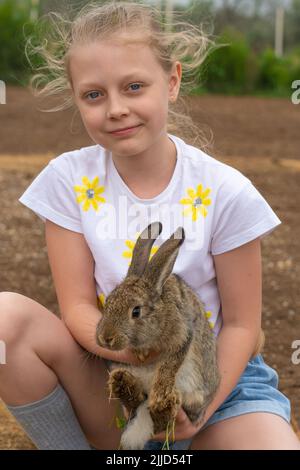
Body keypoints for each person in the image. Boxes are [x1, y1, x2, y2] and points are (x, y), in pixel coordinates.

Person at [0, 1, 299, 451]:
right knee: (6, 321)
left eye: (134, 86)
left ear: (172, 81)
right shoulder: (68, 181)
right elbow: (78, 308)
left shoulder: (225, 191)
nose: (116, 108)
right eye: (94, 94)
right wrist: (135, 355)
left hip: (214, 380)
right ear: (77, 98)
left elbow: (241, 325)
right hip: (115, 373)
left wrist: (198, 408)